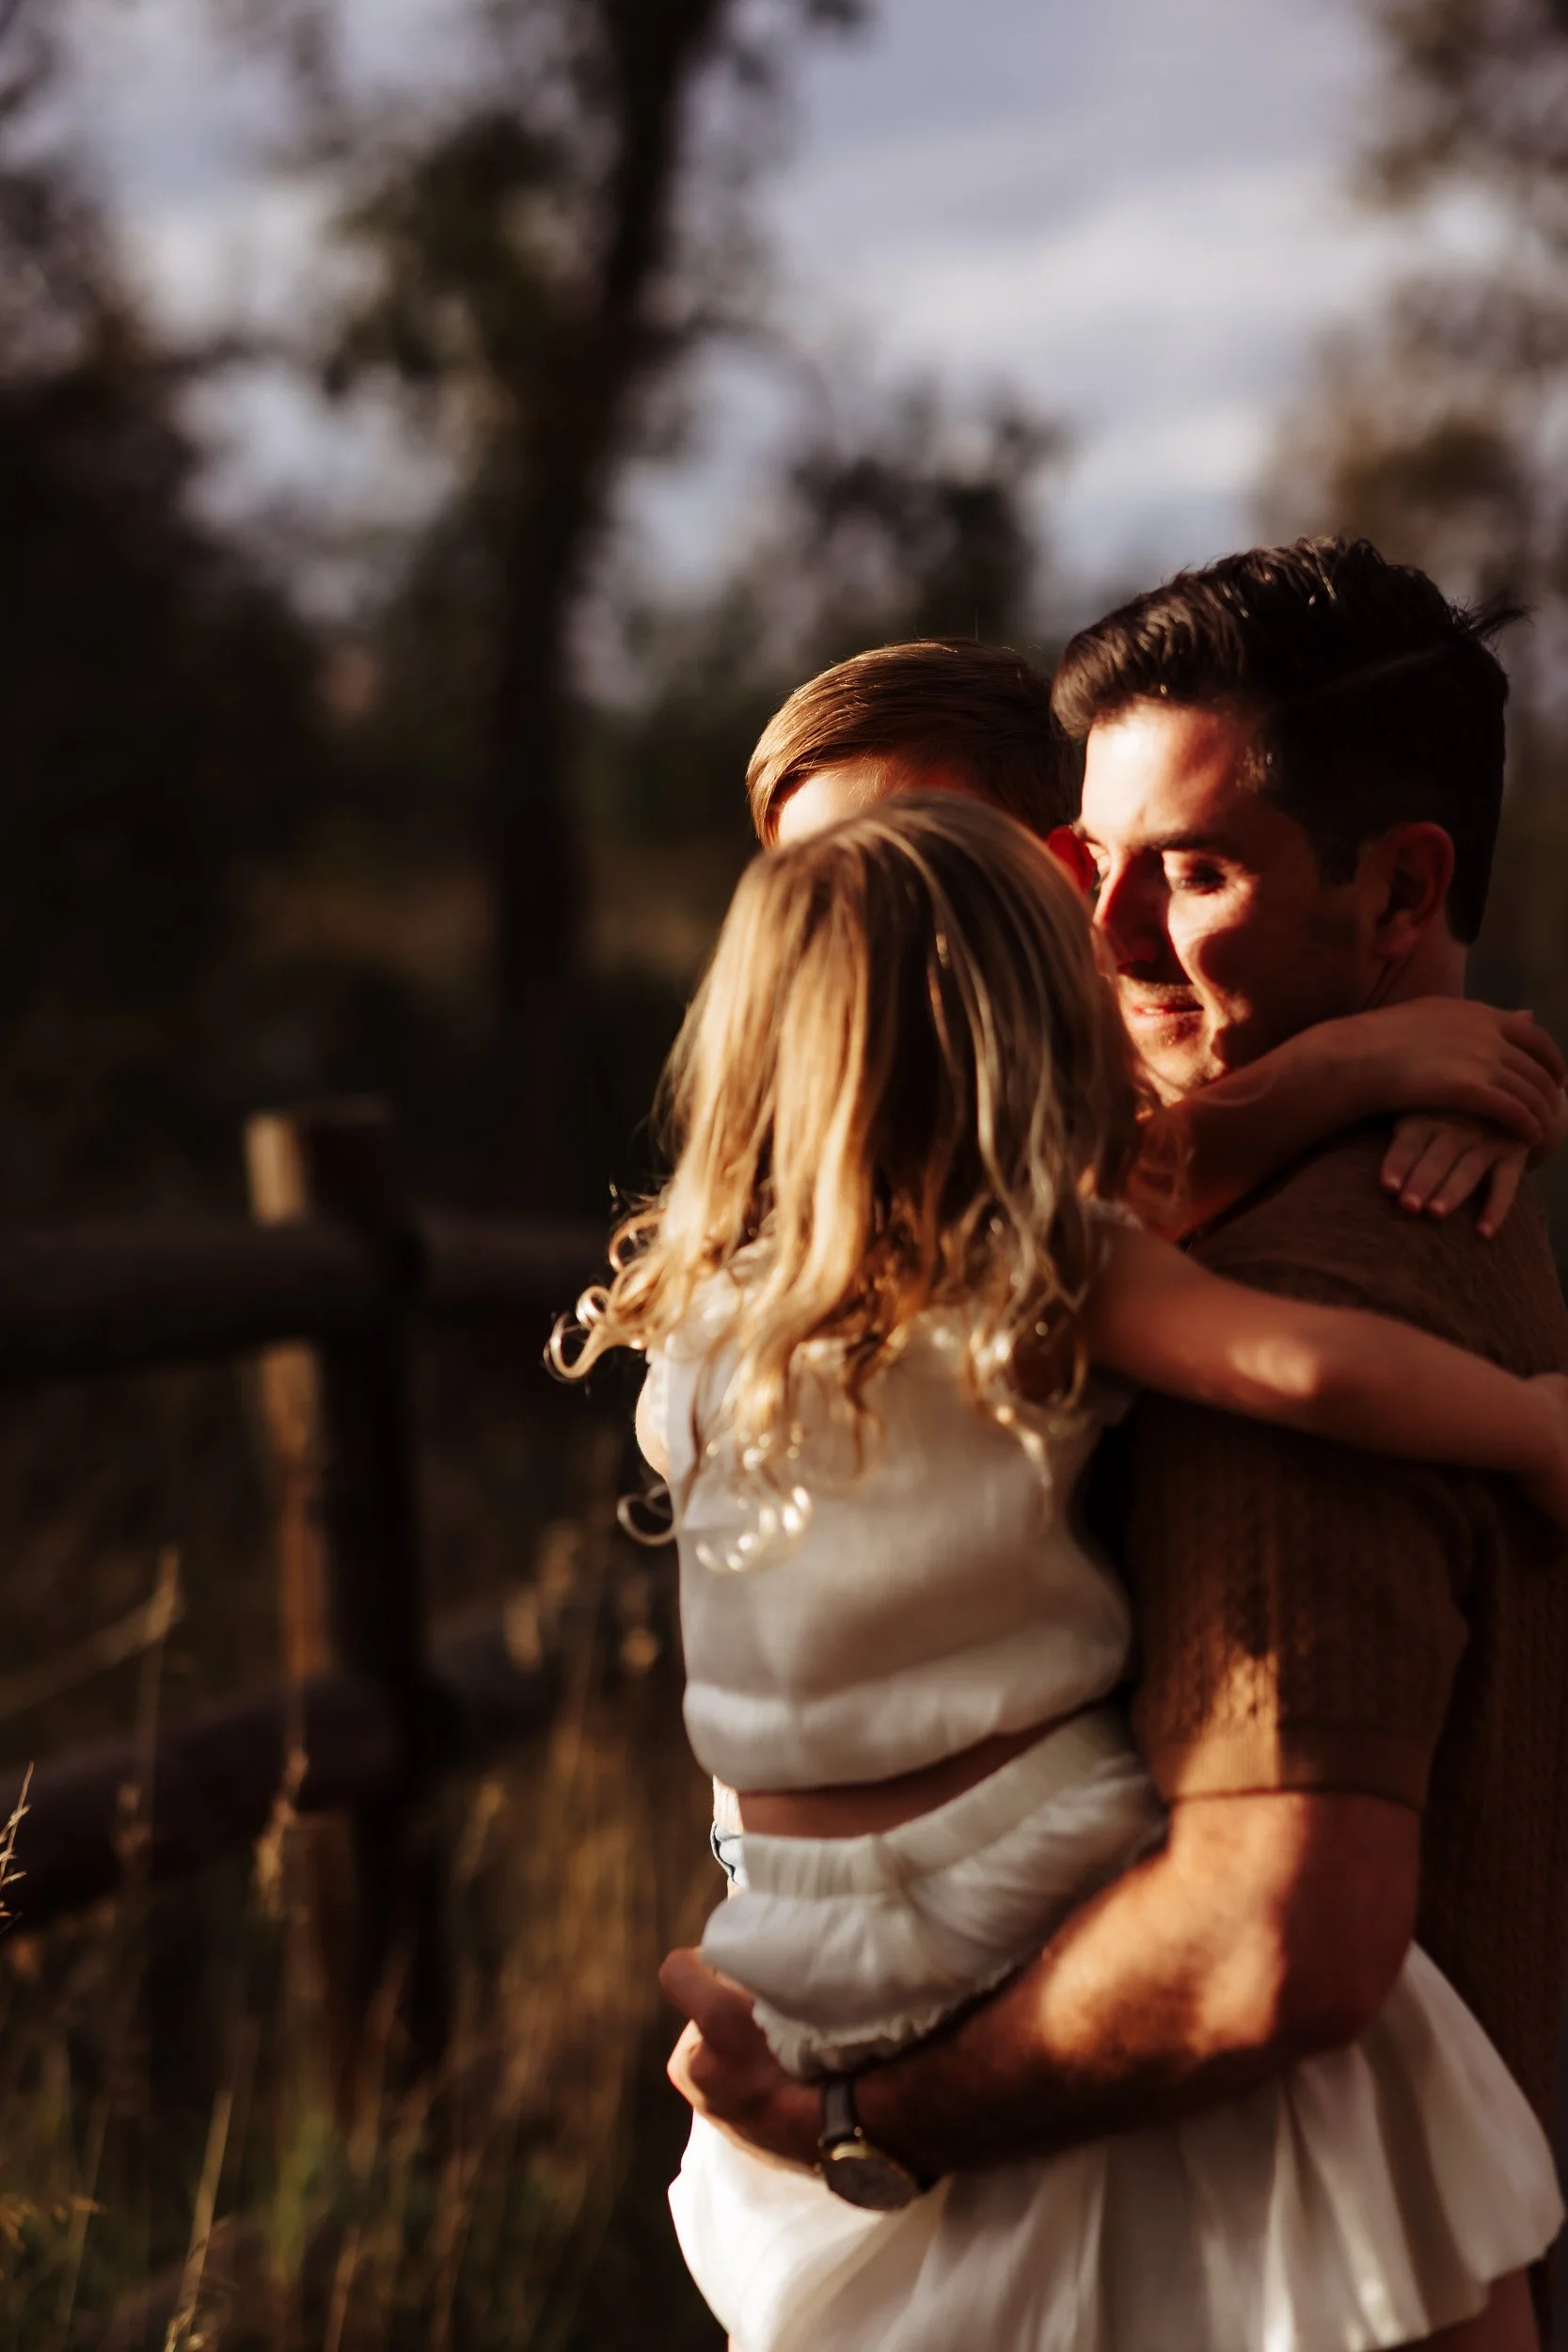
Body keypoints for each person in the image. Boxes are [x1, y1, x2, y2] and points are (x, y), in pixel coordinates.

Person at [658, 542, 1568, 2352]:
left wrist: (859, 2123)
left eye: (1187, 871)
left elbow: (1265, 1946)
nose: (1102, 938)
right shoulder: (1128, 1239)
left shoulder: (1264, 1260)